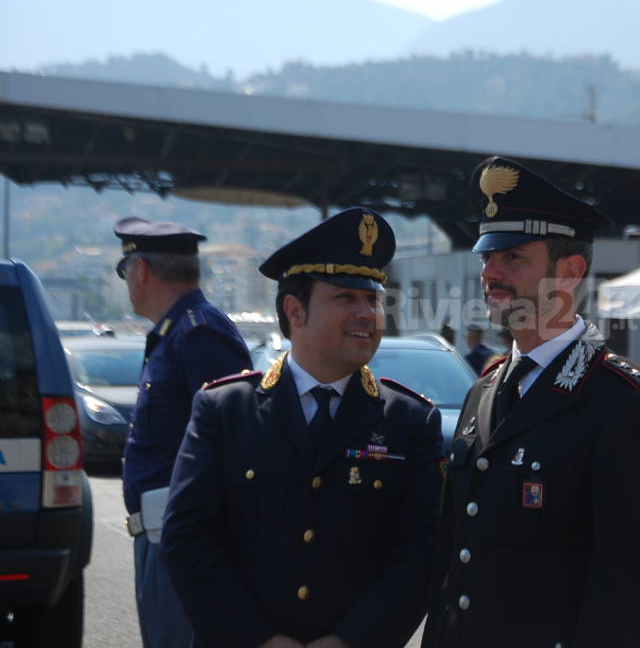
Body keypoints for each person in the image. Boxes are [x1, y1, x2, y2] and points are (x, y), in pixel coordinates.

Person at [421, 156, 640, 648]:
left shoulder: (625, 406)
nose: (490, 274)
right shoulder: (486, 388)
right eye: (486, 258)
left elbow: (627, 595)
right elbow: (455, 561)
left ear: (570, 272)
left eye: (512, 258)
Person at [161, 208, 444, 648]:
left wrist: (351, 640)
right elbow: (187, 540)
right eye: (346, 298)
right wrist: (259, 639)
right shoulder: (224, 409)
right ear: (295, 310)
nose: (367, 313)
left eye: (373, 300)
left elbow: (420, 553)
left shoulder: (409, 420)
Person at [114, 217, 252, 648]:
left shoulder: (200, 332)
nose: (127, 283)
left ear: (141, 270)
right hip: (163, 536)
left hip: (185, 543)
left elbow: (237, 442)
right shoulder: (179, 331)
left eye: (125, 272)